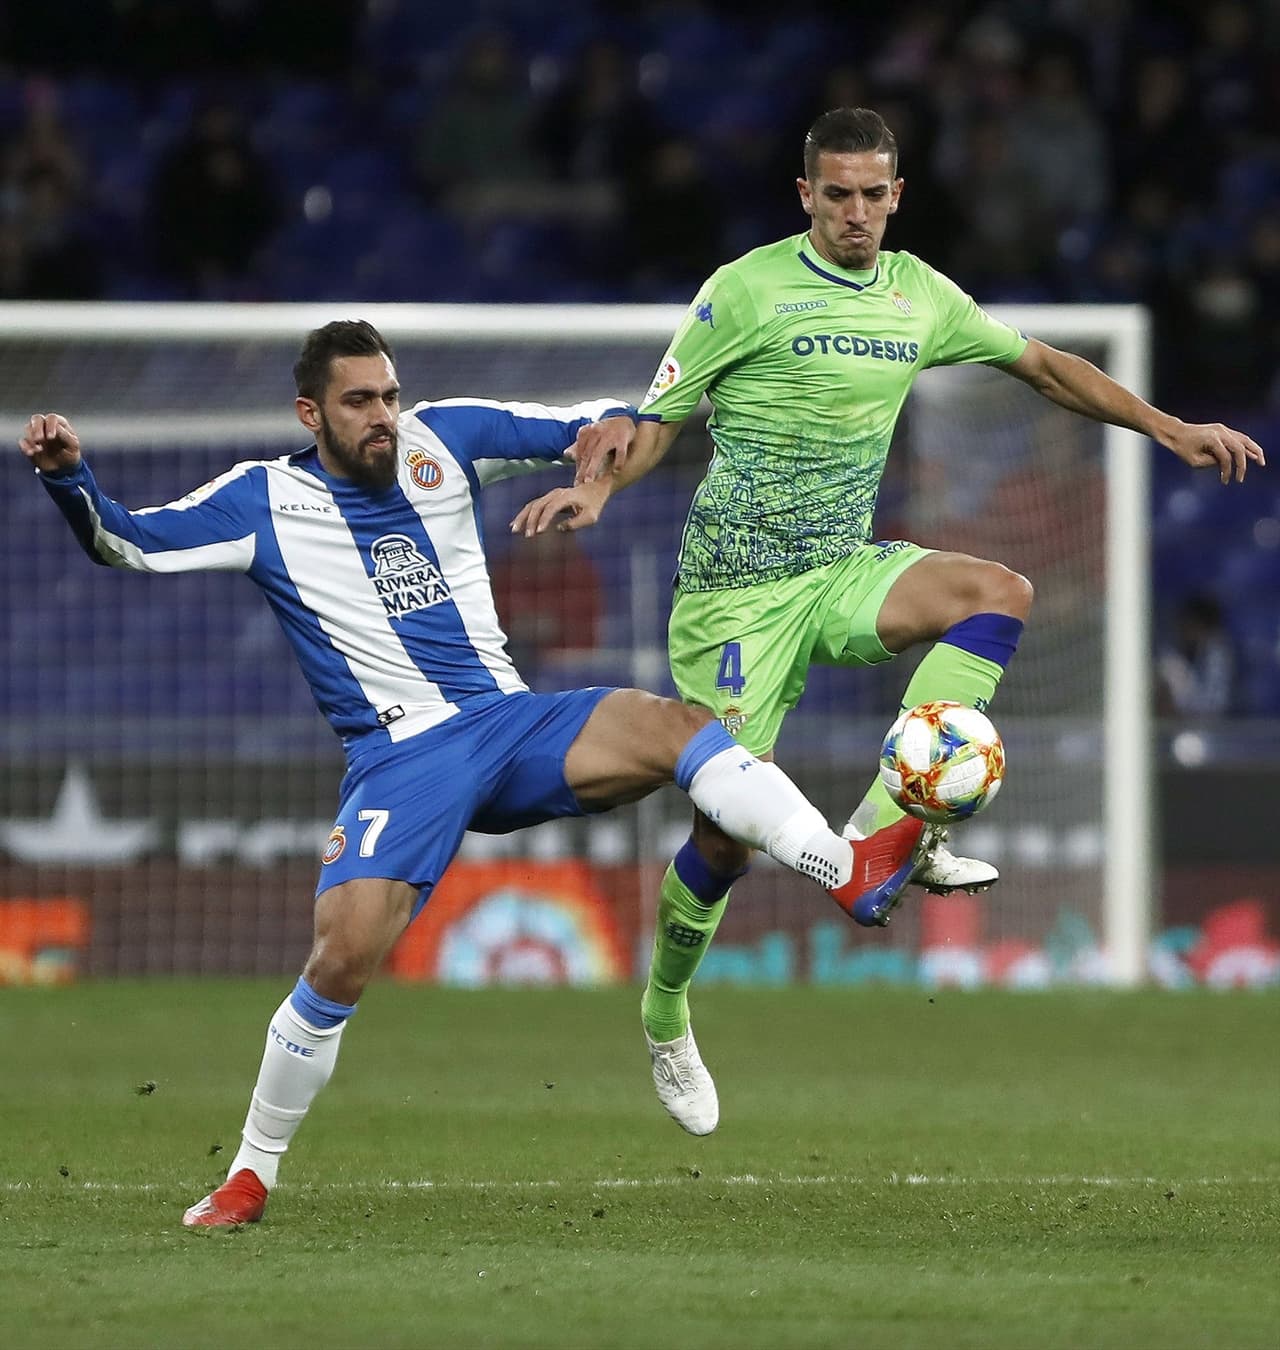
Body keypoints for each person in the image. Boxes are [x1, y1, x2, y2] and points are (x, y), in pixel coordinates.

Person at [21, 319, 903, 1226]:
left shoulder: (446, 438)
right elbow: (126, 543)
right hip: (401, 757)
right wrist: (67, 478)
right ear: (310, 413)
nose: (383, 417)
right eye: (359, 401)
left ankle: (846, 868)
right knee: (342, 957)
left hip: (507, 722)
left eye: (389, 396)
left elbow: (597, 422)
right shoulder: (260, 500)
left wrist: (600, 451)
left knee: (682, 727)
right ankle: (251, 1174)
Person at [511, 105, 1266, 1134]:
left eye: (873, 195)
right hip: (732, 597)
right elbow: (653, 423)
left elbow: (1042, 367)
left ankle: (883, 832)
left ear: (896, 195)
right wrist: (595, 495)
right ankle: (665, 1010)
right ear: (805, 196)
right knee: (721, 844)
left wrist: (1164, 425)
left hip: (838, 569)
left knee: (996, 591)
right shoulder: (744, 290)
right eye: (837, 195)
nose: (856, 213)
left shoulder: (921, 294)